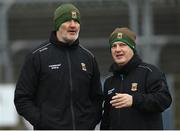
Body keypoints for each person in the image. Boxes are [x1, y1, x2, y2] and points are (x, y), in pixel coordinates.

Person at [14, 3, 103, 130]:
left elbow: (97, 99)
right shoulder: (37, 56)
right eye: (67, 20)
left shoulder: (89, 58)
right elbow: (22, 99)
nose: (73, 25)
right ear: (57, 24)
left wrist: (89, 123)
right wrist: (42, 122)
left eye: (76, 21)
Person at [100, 27, 172, 130]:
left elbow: (164, 100)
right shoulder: (109, 82)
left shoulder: (150, 72)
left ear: (132, 47)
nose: (117, 49)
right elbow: (106, 119)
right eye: (114, 46)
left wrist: (134, 100)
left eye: (122, 45)